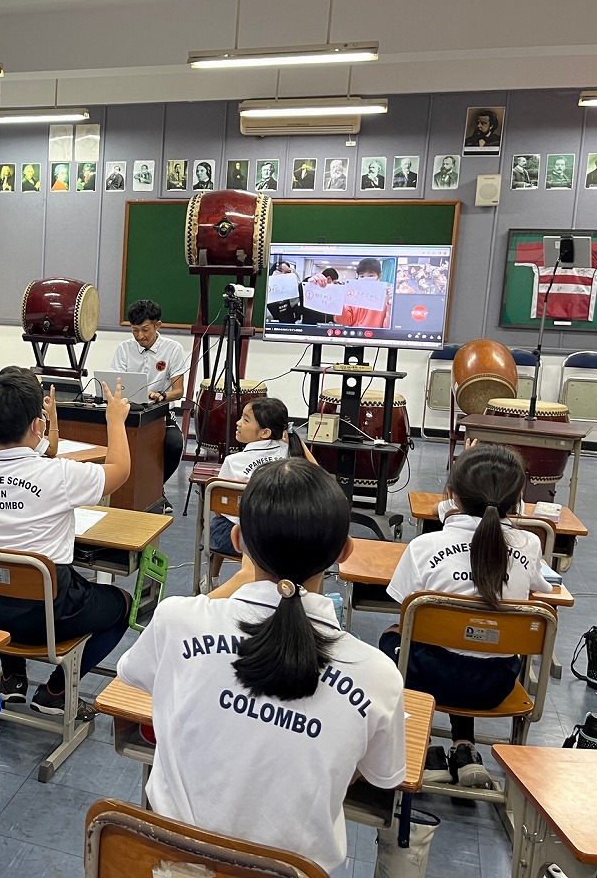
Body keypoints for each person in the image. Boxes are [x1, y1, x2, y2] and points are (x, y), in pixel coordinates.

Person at [116, 459, 407, 876]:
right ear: (344, 551)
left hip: (166, 866)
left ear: (237, 539)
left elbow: (134, 677)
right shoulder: (378, 675)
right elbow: (381, 775)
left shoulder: (177, 620)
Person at [0, 372, 132, 719]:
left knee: (1, 577)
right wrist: (115, 420)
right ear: (38, 424)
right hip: (47, 615)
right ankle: (56, 691)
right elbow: (121, 469)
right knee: (122, 605)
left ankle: (11, 677)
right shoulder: (61, 476)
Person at [380, 445, 552, 788]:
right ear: (518, 497)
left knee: (397, 635)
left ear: (452, 495)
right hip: (495, 686)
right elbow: (543, 585)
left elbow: (403, 612)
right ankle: (465, 749)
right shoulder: (530, 544)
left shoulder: (424, 547)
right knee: (475, 640)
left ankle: (424, 745)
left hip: (427, 680)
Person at [203, 397, 309, 591]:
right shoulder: (292, 454)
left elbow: (218, 509)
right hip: (285, 538)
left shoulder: (233, 461)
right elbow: (316, 476)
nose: (238, 423)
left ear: (265, 432)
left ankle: (212, 580)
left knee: (222, 519)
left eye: (245, 419)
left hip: (242, 538)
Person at [112, 299, 188, 510]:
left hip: (159, 412)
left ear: (157, 325)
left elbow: (179, 391)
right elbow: (115, 382)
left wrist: (162, 396)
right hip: (128, 411)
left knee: (174, 444)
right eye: (134, 330)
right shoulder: (124, 349)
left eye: (145, 330)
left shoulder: (173, 349)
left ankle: (155, 489)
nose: (140, 336)